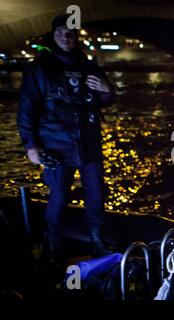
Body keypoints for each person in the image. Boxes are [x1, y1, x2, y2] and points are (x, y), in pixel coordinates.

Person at [17, 15, 115, 260]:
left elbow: (105, 100)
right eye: (61, 32)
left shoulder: (88, 65)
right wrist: (31, 145)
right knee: (59, 194)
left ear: (77, 36)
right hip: (56, 143)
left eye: (70, 32)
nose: (66, 37)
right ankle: (53, 240)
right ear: (54, 35)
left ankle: (96, 237)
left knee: (96, 192)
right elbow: (27, 107)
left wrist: (107, 90)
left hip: (88, 143)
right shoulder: (40, 67)